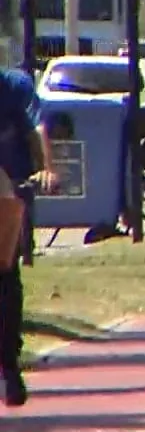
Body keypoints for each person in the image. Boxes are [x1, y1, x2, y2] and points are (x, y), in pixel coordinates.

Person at [0, 67, 56, 407]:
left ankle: (9, 363)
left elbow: (38, 126)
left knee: (5, 269)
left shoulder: (15, 87)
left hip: (9, 186)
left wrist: (46, 167)